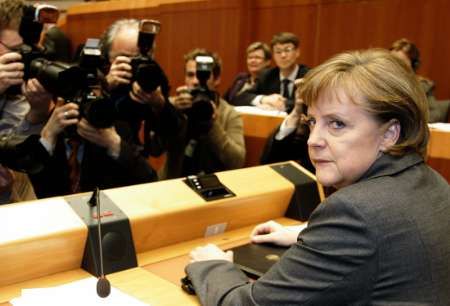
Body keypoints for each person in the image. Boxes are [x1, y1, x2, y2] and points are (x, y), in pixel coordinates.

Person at [185, 49, 450, 305]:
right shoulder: (431, 181)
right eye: (312, 122)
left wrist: (213, 267)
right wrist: (312, 234)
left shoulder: (354, 213)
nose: (313, 140)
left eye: (337, 124)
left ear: (390, 134)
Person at [100, 18, 182, 158]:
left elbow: (172, 133)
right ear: (107, 57)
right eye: (125, 58)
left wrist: (159, 105)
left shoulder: (152, 74)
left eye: (140, 57)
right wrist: (105, 86)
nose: (134, 64)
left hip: (138, 163)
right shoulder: (96, 76)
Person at [164, 48, 245, 179]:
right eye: (190, 75)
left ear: (217, 79)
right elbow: (155, 148)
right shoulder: (175, 105)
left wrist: (212, 125)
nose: (196, 81)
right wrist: (171, 113)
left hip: (212, 186)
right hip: (174, 182)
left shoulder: (229, 114)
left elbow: (237, 162)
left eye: (203, 75)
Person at [231, 32, 309, 113]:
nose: (283, 55)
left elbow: (308, 103)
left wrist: (283, 104)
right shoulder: (268, 75)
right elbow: (240, 98)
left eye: (287, 50)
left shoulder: (307, 75)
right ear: (273, 55)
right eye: (278, 51)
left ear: (297, 52)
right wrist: (264, 99)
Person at [390, 38, 450, 123]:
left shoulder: (422, 86)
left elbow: (435, 115)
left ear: (414, 65)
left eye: (401, 62)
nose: (395, 65)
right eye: (392, 61)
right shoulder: (382, 82)